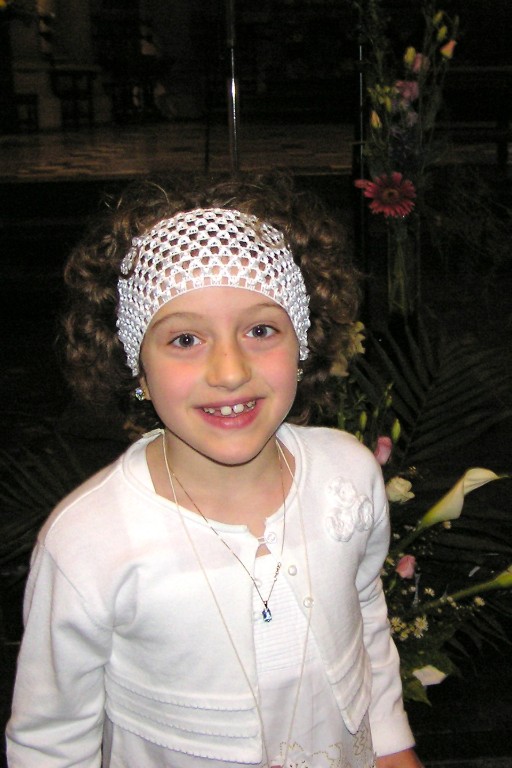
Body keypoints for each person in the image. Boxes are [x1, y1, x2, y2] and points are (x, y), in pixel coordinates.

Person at [6, 172, 424, 768]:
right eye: (184, 339)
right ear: (136, 365)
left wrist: (392, 746)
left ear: (303, 342)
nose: (229, 372)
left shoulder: (348, 477)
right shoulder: (89, 544)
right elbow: (50, 743)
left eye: (260, 330)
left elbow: (366, 624)